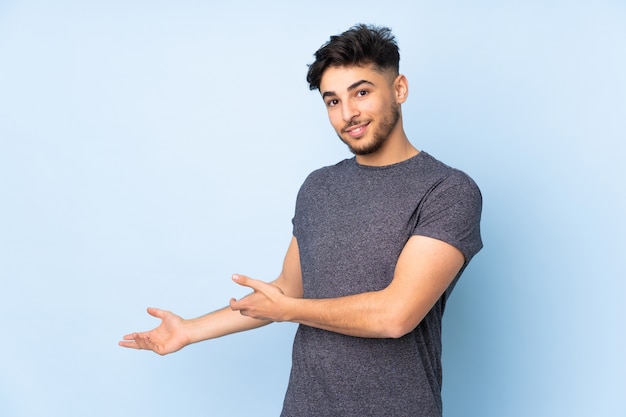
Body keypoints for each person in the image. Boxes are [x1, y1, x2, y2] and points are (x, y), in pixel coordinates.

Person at [120, 23, 483, 417]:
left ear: (399, 89)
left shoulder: (447, 190)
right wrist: (189, 330)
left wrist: (290, 311)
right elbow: (287, 291)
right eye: (332, 101)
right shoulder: (318, 187)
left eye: (362, 92)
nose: (348, 114)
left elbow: (396, 315)